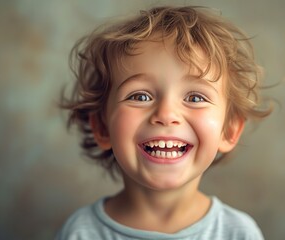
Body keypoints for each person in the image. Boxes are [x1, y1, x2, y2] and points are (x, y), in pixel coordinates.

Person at [57, 6, 272, 240]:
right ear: (102, 126)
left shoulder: (238, 233)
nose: (166, 114)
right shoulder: (80, 232)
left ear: (228, 130)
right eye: (140, 96)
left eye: (195, 98)